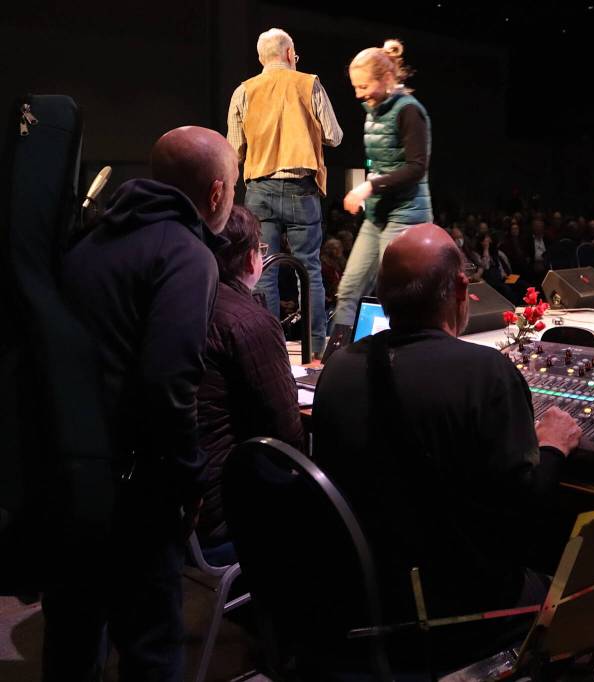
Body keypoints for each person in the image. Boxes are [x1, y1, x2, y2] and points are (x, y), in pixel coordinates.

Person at [313, 223, 581, 666]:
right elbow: (527, 513)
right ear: (461, 287)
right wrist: (552, 446)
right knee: (578, 588)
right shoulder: (485, 373)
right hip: (457, 609)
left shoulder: (339, 368)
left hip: (362, 596)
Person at [45, 126, 237, 681]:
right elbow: (167, 384)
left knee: (74, 639)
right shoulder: (186, 254)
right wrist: (188, 480)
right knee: (151, 647)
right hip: (133, 491)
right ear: (219, 192)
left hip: (69, 475)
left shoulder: (90, 240)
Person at [196, 206, 305, 562]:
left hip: (186, 505)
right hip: (225, 516)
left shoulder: (188, 301)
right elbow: (288, 435)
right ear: (250, 258)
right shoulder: (247, 322)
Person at [227, 27, 344, 357]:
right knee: (309, 270)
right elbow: (334, 136)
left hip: (259, 190)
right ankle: (317, 346)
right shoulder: (309, 84)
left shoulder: (244, 91)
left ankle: (267, 347)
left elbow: (233, 149)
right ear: (290, 54)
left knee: (262, 270)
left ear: (261, 57)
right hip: (300, 189)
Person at [331, 39, 433, 339]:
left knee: (394, 294)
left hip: (406, 213)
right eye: (354, 86)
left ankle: (399, 357)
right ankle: (337, 360)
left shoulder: (409, 111)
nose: (358, 94)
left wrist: (368, 187)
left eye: (363, 86)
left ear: (386, 79)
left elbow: (416, 167)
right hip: (378, 215)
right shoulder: (374, 109)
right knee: (349, 288)